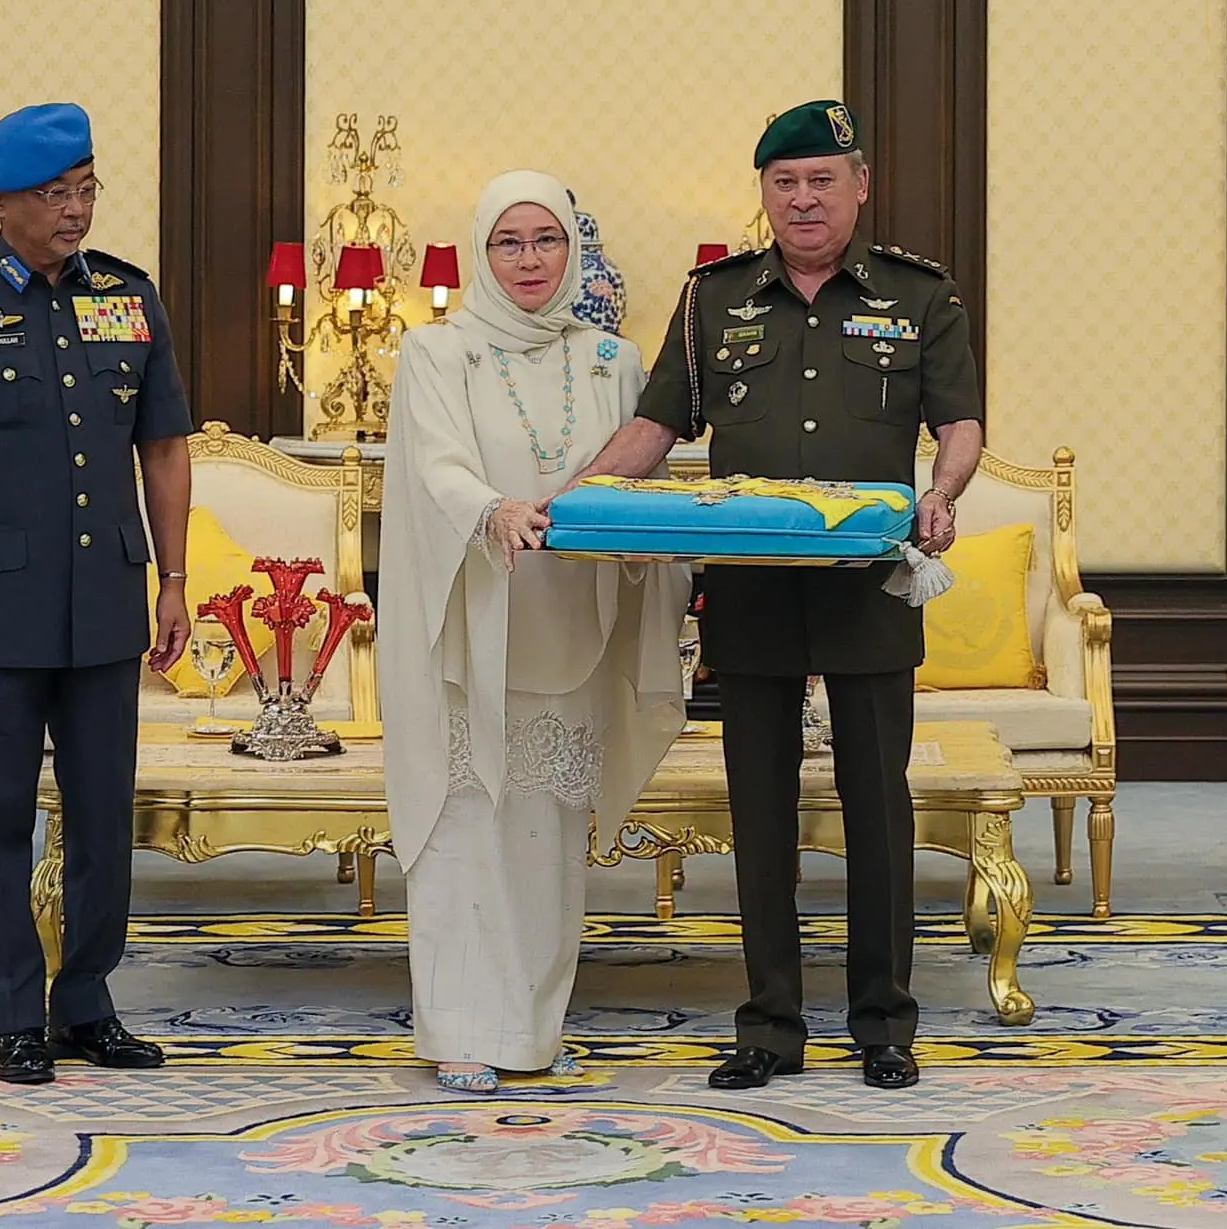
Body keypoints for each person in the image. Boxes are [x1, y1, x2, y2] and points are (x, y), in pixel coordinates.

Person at [564, 101, 984, 1091]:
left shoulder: (919, 295)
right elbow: (655, 427)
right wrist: (568, 503)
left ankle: (883, 1023)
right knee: (756, 813)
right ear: (762, 194)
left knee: (877, 807)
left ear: (859, 183)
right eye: (783, 182)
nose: (802, 199)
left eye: (820, 180)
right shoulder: (713, 298)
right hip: (749, 592)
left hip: (867, 586)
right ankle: (768, 1025)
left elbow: (959, 421)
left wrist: (942, 492)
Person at [0, 102, 194, 1085]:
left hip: (104, 597)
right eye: (53, 193)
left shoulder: (130, 298)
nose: (75, 209)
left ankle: (87, 1003)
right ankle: (13, 1014)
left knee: (105, 816)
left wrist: (174, 578)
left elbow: (164, 447)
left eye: (85, 187)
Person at [382, 170, 692, 1094]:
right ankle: (457, 1031)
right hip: (471, 624)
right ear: (482, 253)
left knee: (546, 840)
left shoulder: (612, 360)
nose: (528, 260)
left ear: (574, 252)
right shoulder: (436, 354)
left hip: (571, 624)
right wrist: (492, 512)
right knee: (463, 827)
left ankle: (528, 1029)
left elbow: (636, 485)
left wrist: (639, 548)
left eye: (546, 240)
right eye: (508, 242)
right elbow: (435, 468)